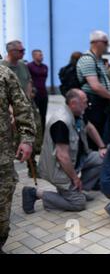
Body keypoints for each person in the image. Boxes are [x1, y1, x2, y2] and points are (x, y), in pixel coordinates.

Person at [22, 89, 107, 214]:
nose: (87, 105)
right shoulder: (61, 122)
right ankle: (34, 193)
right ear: (73, 103)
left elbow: (89, 127)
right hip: (59, 168)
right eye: (84, 102)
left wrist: (102, 146)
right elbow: (62, 157)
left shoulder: (78, 113)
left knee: (103, 158)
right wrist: (75, 178)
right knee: (78, 203)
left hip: (78, 160)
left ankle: (78, 191)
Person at [0, 65, 35, 254]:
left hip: (2, 157)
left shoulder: (4, 74)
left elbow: (22, 106)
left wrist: (27, 138)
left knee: (2, 207)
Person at [2, 41, 40, 178]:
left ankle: (33, 168)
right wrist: (13, 111)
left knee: (31, 135)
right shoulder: (3, 68)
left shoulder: (23, 65)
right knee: (13, 140)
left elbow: (29, 81)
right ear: (11, 51)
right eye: (21, 50)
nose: (24, 53)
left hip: (27, 106)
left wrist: (28, 99)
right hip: (10, 111)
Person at [76, 31, 110, 149]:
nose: (108, 45)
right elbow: (95, 86)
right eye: (105, 42)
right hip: (93, 104)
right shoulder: (87, 59)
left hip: (102, 103)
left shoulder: (99, 60)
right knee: (95, 138)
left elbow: (105, 80)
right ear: (95, 43)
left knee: (104, 136)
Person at [27, 49, 48, 129]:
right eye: (40, 55)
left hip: (43, 93)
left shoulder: (45, 67)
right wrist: (30, 92)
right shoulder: (29, 66)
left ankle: (43, 132)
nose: (42, 57)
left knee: (43, 114)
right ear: (34, 56)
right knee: (34, 114)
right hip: (34, 94)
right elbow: (28, 80)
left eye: (42, 55)